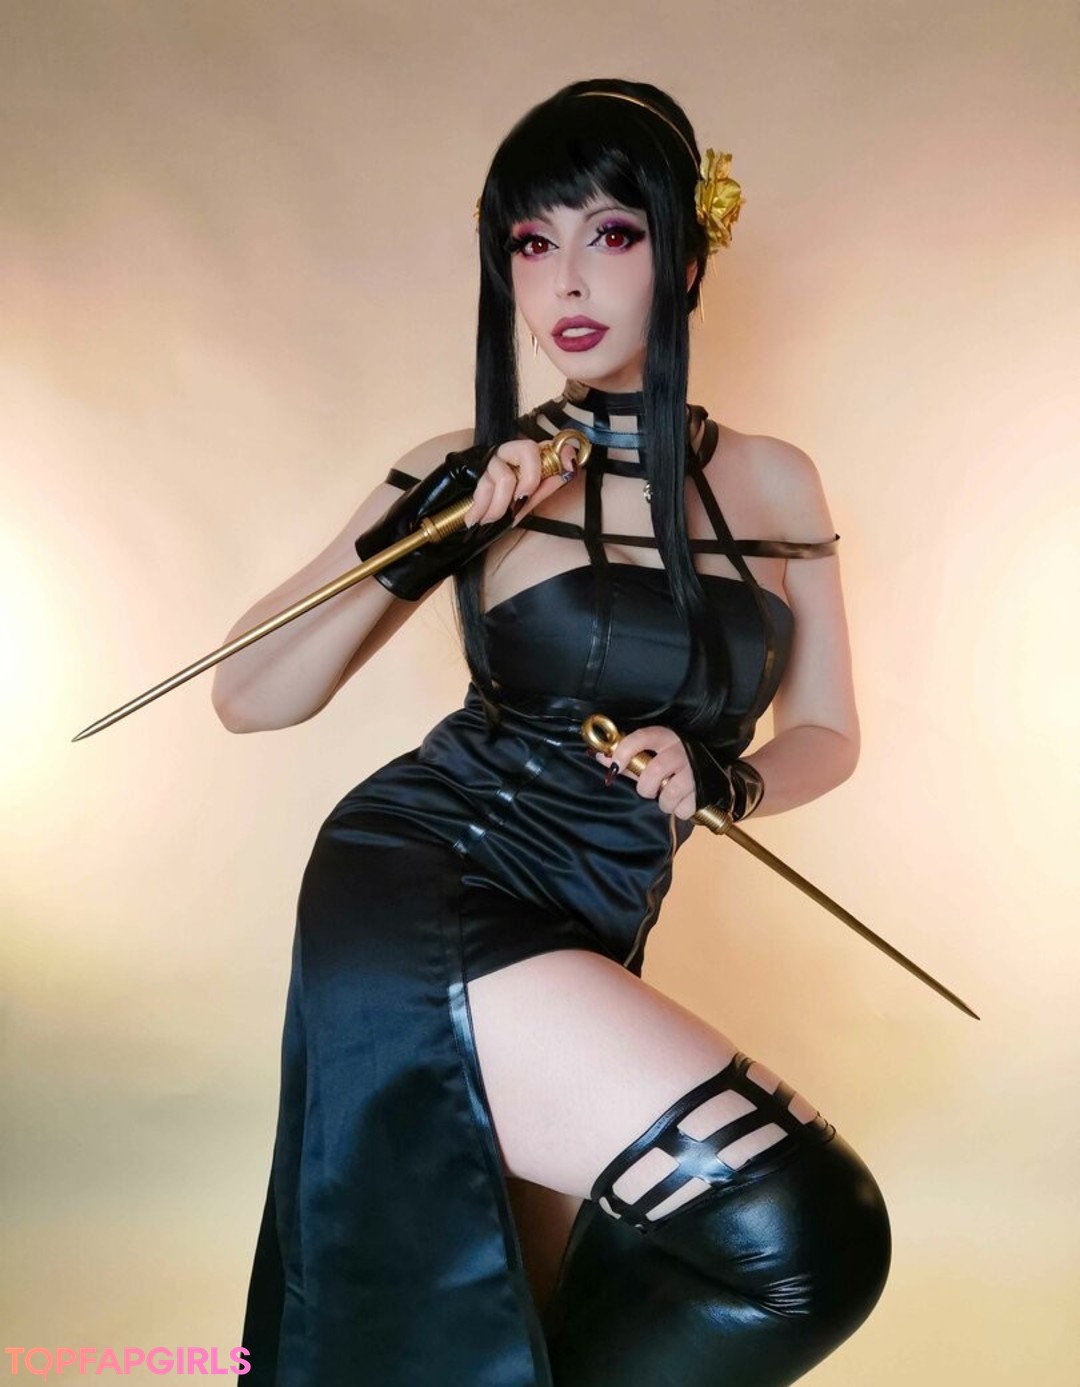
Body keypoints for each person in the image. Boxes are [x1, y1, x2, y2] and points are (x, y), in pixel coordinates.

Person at [213, 78, 891, 1387]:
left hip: (595, 920)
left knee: (507, 1314)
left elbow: (827, 729)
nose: (566, 278)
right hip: (428, 885)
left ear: (686, 257)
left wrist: (723, 779)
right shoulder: (476, 465)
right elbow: (251, 695)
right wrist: (429, 533)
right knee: (808, 1231)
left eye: (611, 233)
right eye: (533, 242)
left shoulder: (776, 481)